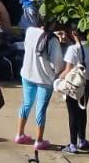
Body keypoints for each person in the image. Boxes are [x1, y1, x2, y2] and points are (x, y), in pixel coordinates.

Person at [55, 24, 89, 153]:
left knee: (72, 114)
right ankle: (82, 140)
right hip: (87, 84)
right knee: (82, 112)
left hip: (74, 85)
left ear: (74, 33)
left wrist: (58, 78)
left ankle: (72, 144)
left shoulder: (73, 49)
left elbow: (67, 71)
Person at [16, 21, 61, 150]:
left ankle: (19, 134)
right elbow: (57, 63)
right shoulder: (53, 40)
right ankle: (39, 140)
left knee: (26, 103)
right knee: (40, 109)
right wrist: (57, 75)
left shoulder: (30, 31)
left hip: (27, 74)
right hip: (44, 79)